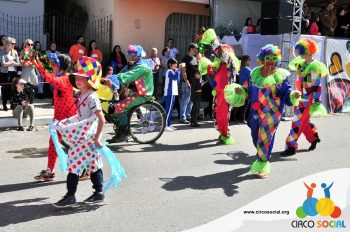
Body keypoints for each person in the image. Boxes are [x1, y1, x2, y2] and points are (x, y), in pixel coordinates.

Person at [228, 44, 300, 178]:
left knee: (265, 137)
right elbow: (247, 89)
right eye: (267, 58)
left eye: (273, 58)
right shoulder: (254, 73)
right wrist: (241, 91)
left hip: (272, 113)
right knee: (256, 136)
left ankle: (262, 163)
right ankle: (261, 153)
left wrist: (293, 95)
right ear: (262, 59)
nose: (270, 61)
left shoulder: (280, 76)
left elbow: (287, 92)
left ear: (276, 60)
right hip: (255, 112)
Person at [52, 56, 106, 208]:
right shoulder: (82, 95)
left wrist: (97, 139)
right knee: (93, 164)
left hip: (86, 138)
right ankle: (99, 192)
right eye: (77, 77)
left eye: (83, 78)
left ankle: (71, 196)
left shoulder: (92, 97)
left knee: (74, 165)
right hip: (85, 136)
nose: (78, 80)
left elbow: (101, 119)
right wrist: (66, 122)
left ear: (90, 81)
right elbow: (81, 116)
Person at [32, 54, 78, 182]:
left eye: (54, 64)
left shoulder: (65, 79)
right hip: (59, 118)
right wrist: (36, 59)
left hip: (69, 119)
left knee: (79, 145)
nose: (52, 66)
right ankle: (50, 171)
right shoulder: (61, 77)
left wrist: (38, 65)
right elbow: (50, 73)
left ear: (61, 66)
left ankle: (88, 169)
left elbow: (48, 77)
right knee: (53, 144)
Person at [281, 39, 328, 156]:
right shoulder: (303, 63)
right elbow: (297, 62)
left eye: (301, 52)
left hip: (308, 100)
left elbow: (316, 86)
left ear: (308, 52)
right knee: (304, 122)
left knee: (297, 122)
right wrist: (292, 53)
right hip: (300, 97)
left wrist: (316, 102)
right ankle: (313, 137)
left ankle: (291, 147)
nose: (300, 54)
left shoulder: (314, 67)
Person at [180, 43, 198, 124]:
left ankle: (188, 115)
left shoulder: (194, 58)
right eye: (195, 48)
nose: (197, 50)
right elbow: (183, 71)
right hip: (186, 82)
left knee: (191, 100)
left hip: (193, 83)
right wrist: (186, 81)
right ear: (191, 49)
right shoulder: (184, 59)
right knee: (185, 100)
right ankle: (182, 117)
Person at [0, 37, 20, 111]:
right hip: (5, 73)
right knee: (5, 89)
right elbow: (3, 64)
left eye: (14, 43)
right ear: (8, 43)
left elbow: (18, 63)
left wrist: (11, 63)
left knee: (13, 89)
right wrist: (12, 62)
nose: (13, 45)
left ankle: (12, 104)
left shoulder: (15, 52)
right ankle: (4, 104)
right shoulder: (2, 52)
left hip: (13, 73)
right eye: (12, 43)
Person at [164, 58, 181, 131]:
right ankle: (166, 125)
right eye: (174, 64)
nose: (176, 65)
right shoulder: (169, 71)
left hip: (173, 92)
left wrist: (178, 71)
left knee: (170, 109)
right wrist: (178, 70)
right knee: (168, 109)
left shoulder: (173, 71)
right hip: (169, 93)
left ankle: (168, 124)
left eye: (176, 64)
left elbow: (177, 79)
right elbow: (175, 77)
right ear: (170, 65)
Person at [20, 39, 38, 104]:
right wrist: (29, 62)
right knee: (24, 89)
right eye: (28, 44)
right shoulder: (22, 52)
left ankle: (31, 104)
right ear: (25, 45)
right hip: (25, 72)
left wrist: (30, 63)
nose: (30, 46)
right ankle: (25, 105)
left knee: (32, 90)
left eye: (32, 44)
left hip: (32, 72)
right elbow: (21, 62)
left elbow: (36, 63)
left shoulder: (35, 53)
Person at [238, 55, 251, 123]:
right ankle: (242, 118)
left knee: (242, 103)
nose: (250, 62)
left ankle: (240, 117)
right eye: (249, 60)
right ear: (246, 61)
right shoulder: (247, 69)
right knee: (245, 104)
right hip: (246, 88)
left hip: (241, 87)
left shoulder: (241, 69)